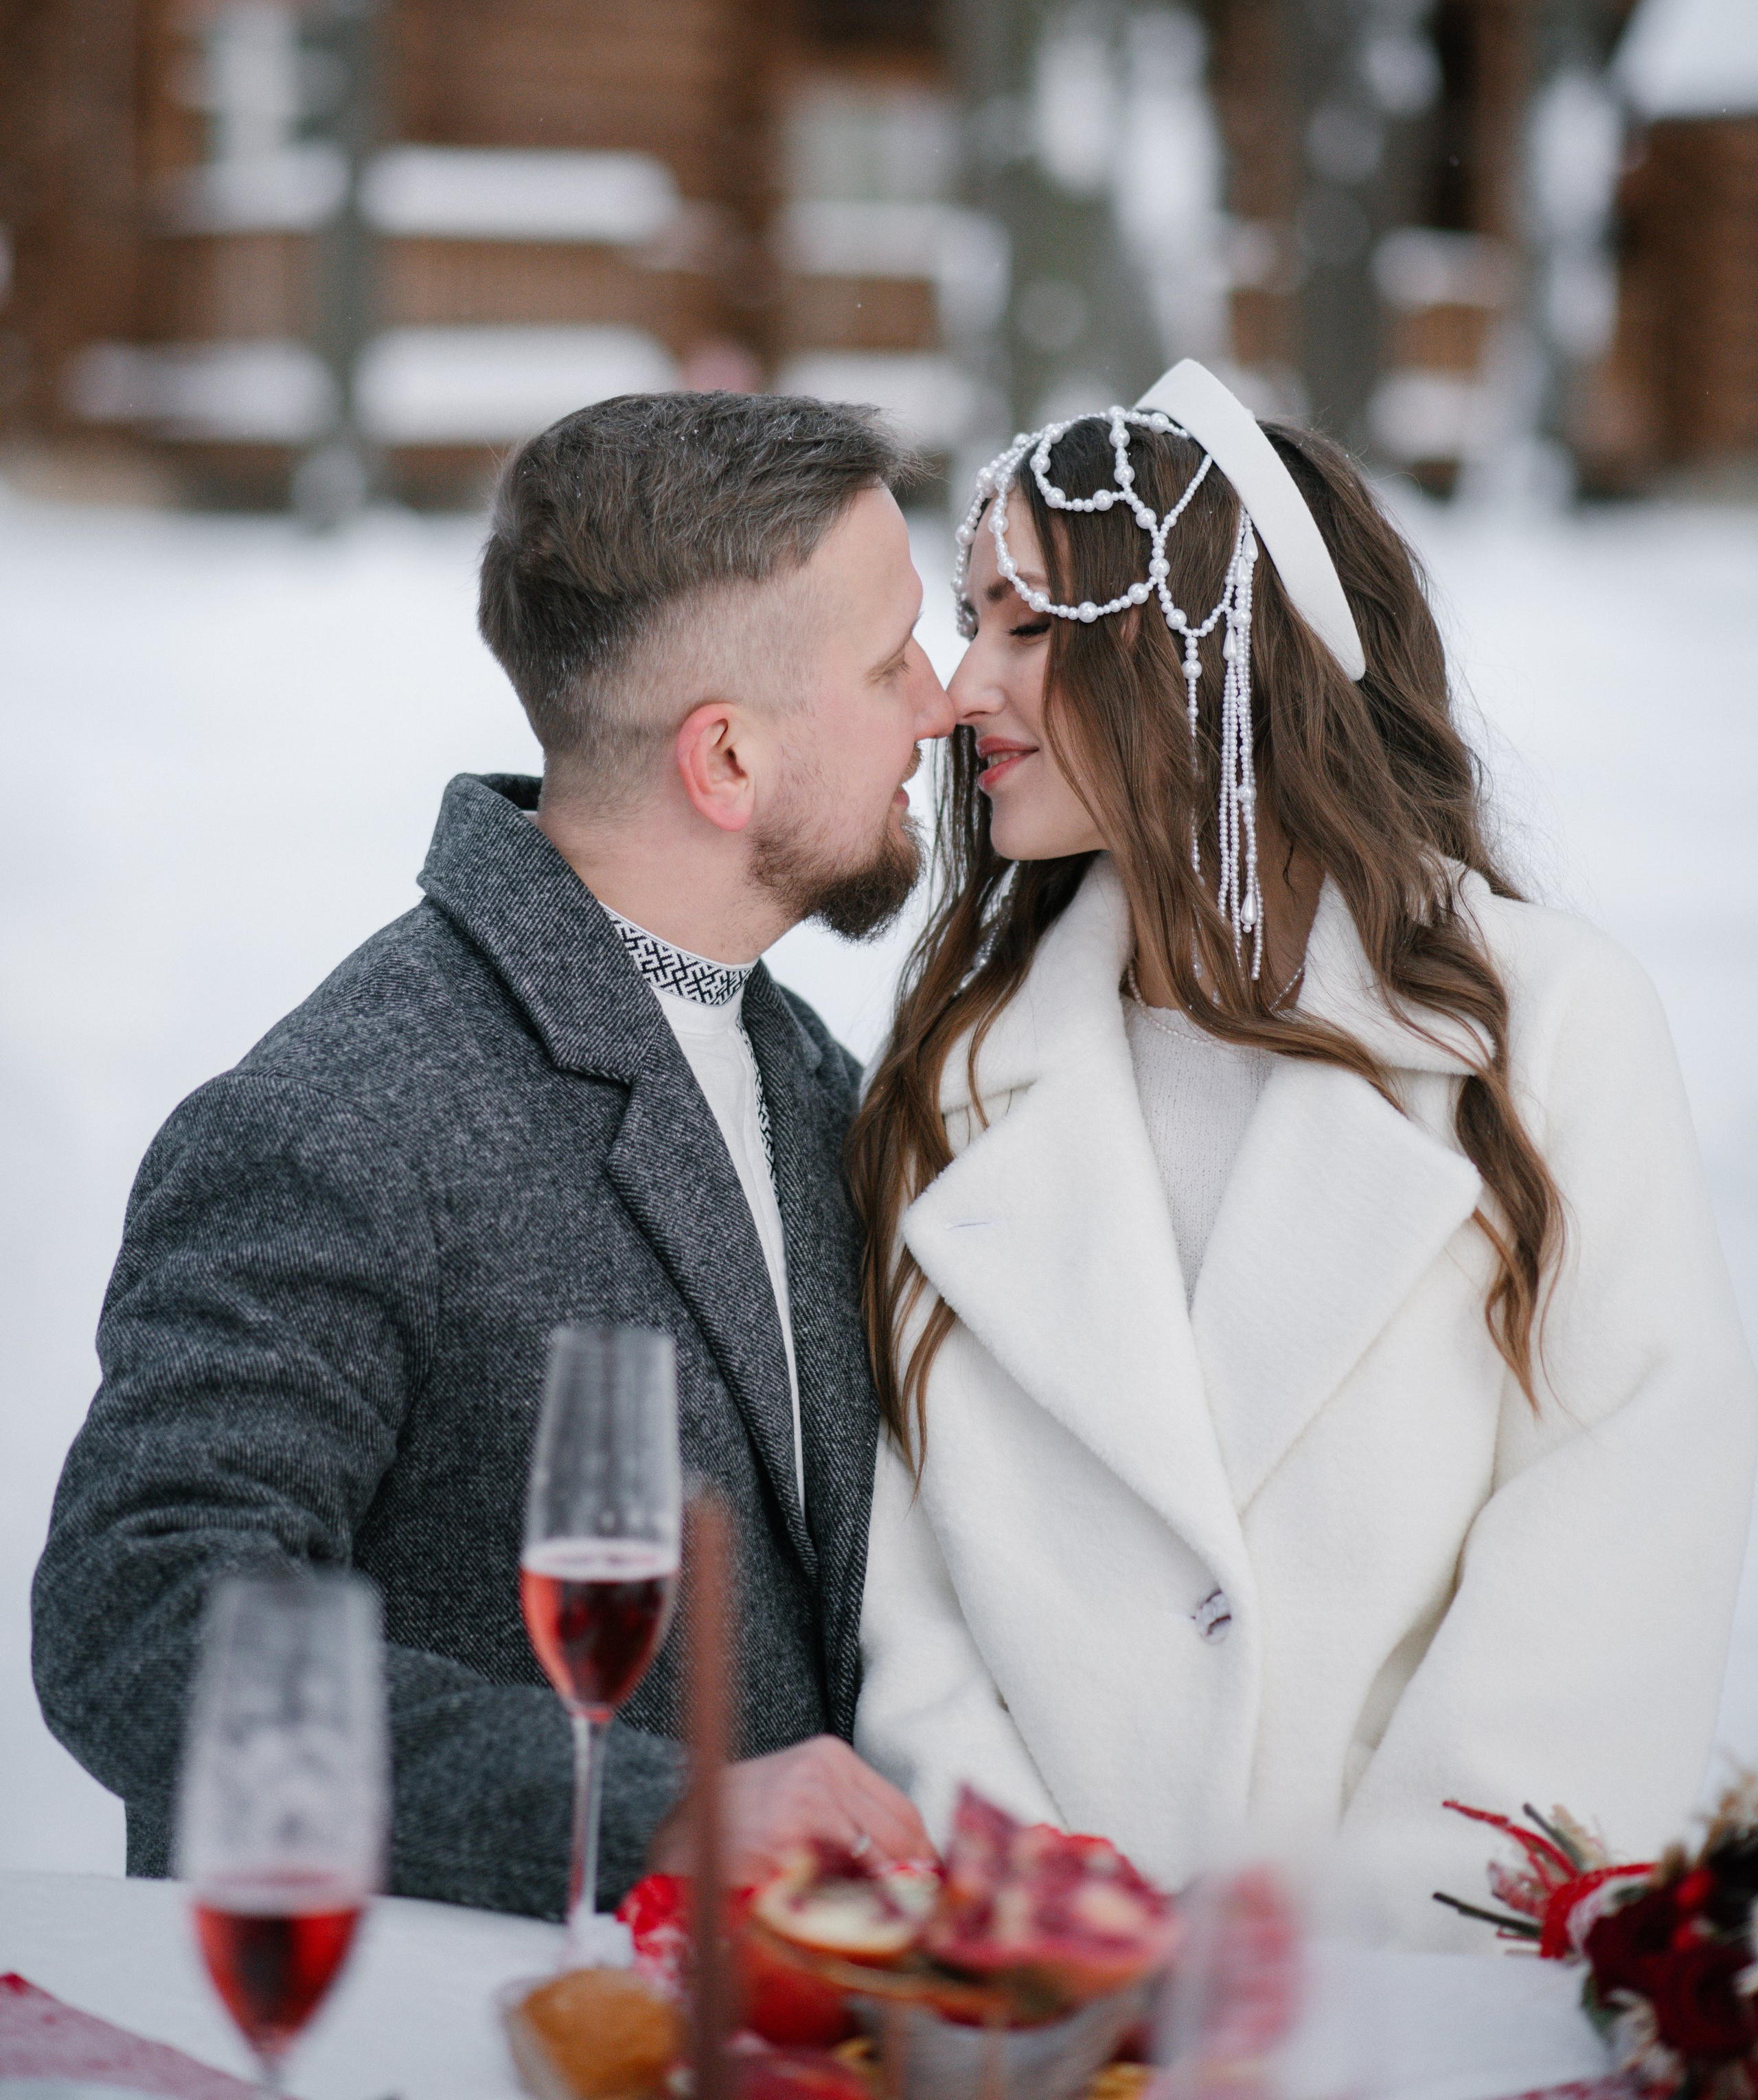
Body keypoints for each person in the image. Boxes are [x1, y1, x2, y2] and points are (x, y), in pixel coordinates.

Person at [848, 360, 1757, 1945]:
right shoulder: (948, 1084)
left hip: (1411, 2006)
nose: (955, 691)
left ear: (1202, 643)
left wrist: (1359, 1973)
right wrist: (1049, 1928)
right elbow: (900, 1594)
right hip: (1042, 2013)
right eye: (965, 621)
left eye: (1023, 626)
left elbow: (1612, 1548)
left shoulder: (1541, 1032)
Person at [34, 391, 948, 1918]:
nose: (938, 700)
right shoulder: (342, 1117)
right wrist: (655, 1818)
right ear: (722, 761)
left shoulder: (815, 1083)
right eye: (886, 660)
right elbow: (141, 1620)